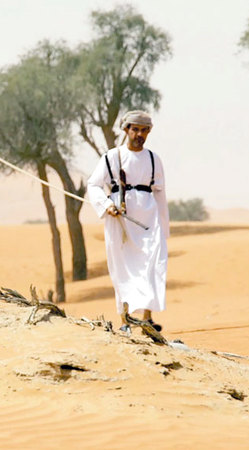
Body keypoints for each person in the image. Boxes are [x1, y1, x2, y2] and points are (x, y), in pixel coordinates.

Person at [86, 110, 169, 332]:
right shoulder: (112, 157)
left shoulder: (153, 159)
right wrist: (106, 205)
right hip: (119, 220)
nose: (139, 134)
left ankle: (147, 320)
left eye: (144, 130)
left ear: (149, 132)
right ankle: (125, 320)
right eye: (135, 130)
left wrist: (164, 229)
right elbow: (93, 185)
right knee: (122, 267)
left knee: (151, 265)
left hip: (149, 220)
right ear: (126, 130)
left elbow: (160, 195)